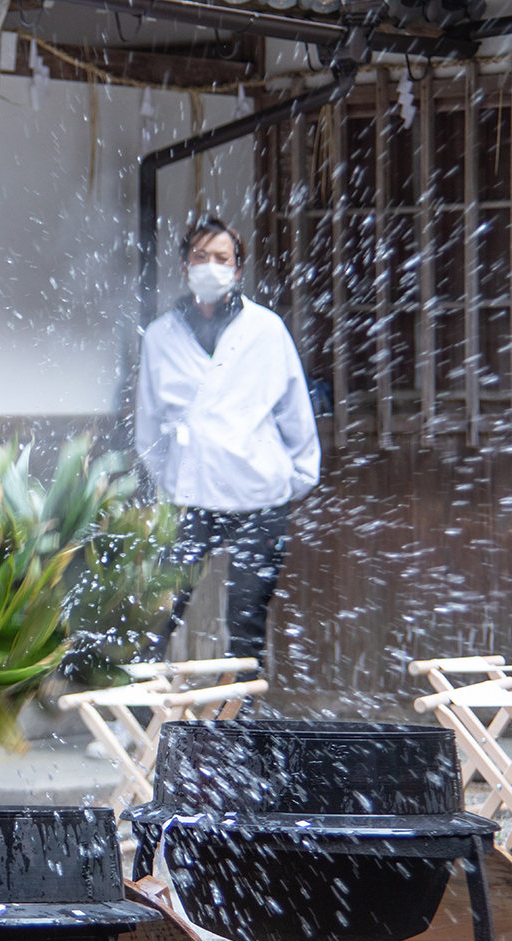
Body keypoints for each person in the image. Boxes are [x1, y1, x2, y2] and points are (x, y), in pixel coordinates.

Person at [135, 217, 319, 675]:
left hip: (260, 494)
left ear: (237, 270)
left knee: (246, 617)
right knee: (160, 608)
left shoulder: (266, 329)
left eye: (222, 258)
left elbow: (294, 409)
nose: (211, 267)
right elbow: (149, 424)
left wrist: (298, 477)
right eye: (201, 257)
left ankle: (240, 715)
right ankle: (136, 709)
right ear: (184, 266)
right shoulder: (160, 335)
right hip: (189, 495)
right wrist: (172, 477)